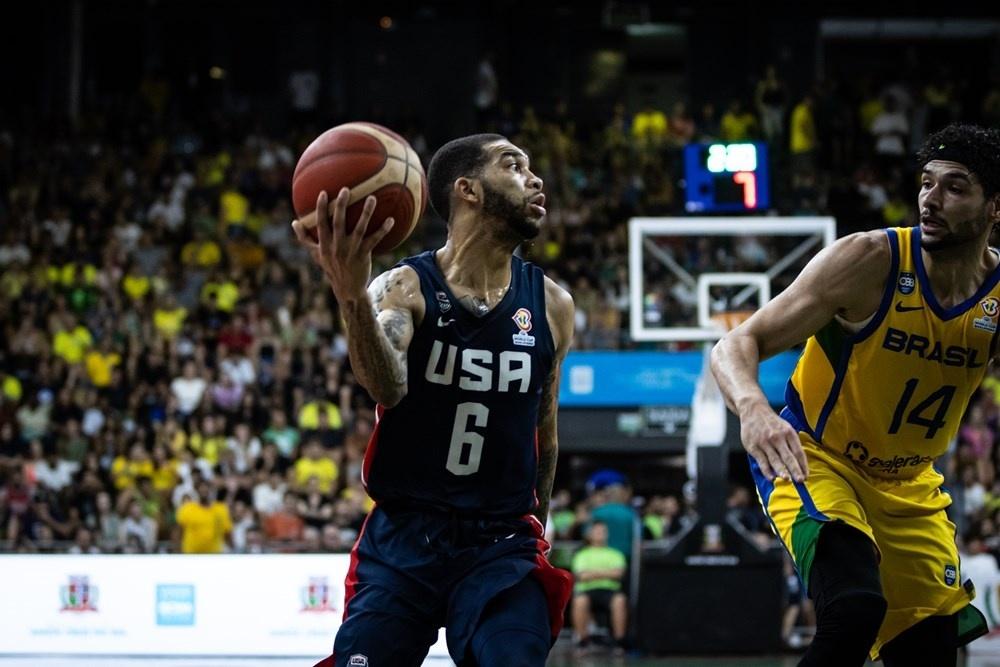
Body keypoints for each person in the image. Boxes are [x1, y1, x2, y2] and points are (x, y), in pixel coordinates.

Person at [710, 123, 1000, 666]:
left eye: (955, 187)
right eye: (926, 183)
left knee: (930, 650)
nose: (931, 200)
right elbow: (736, 342)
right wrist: (753, 409)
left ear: (995, 208)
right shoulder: (870, 260)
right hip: (816, 458)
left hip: (910, 484)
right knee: (853, 608)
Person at [293, 133, 575, 667]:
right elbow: (387, 387)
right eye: (514, 165)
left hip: (500, 543)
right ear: (467, 190)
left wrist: (538, 528)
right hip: (406, 537)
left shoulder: (553, 304)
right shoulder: (403, 288)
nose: (535, 179)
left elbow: (545, 434)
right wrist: (352, 295)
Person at [570, 520, 628, 656]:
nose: (600, 534)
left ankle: (619, 643)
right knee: (579, 601)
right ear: (590, 535)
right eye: (597, 531)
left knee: (619, 600)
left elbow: (618, 574)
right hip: (587, 591)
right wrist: (606, 573)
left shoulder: (616, 554)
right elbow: (582, 576)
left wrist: (593, 573)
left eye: (603, 531)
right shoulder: (582, 554)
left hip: (610, 591)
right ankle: (583, 642)